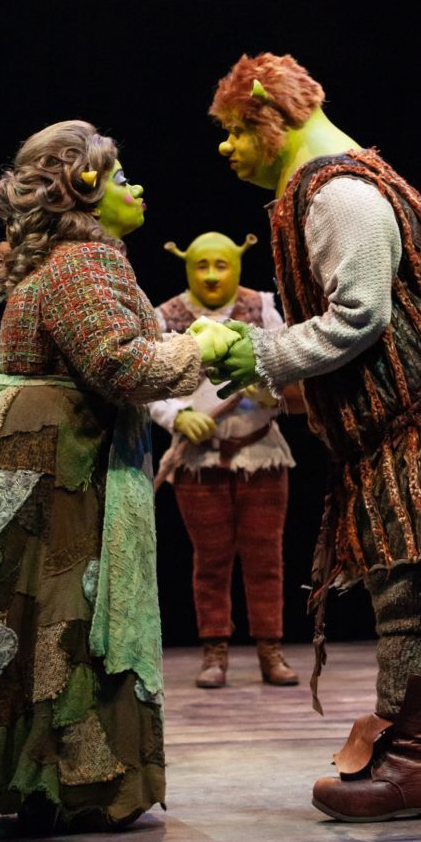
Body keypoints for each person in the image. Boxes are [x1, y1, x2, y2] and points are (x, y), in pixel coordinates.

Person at [204, 53, 421, 823]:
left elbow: (359, 318)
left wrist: (256, 352)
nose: (226, 150)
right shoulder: (337, 185)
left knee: (414, 593)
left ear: (271, 119)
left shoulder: (339, 193)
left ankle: (417, 764)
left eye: (233, 131)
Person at [0, 120, 238, 832]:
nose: (136, 186)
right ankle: (68, 783)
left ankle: (45, 781)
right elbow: (119, 365)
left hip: (40, 458)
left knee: (37, 612)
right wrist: (202, 343)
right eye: (122, 176)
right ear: (84, 191)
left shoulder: (71, 258)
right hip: (52, 468)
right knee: (64, 614)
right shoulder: (80, 265)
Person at [149, 231, 299, 688]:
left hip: (260, 453)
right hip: (202, 461)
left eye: (221, 265)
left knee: (265, 557)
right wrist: (178, 416)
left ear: (237, 264)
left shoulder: (263, 307)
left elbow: (291, 362)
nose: (212, 275)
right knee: (210, 559)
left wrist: (271, 389)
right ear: (186, 266)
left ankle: (270, 651)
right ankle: (214, 652)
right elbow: (149, 381)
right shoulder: (165, 316)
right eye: (201, 265)